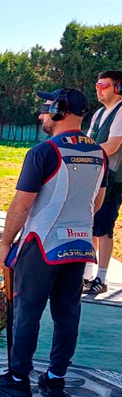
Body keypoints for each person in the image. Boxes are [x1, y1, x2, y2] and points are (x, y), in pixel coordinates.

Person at [0, 88, 107, 397]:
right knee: (68, 312)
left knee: (27, 310)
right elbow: (98, 199)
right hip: (79, 245)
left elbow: (20, 207)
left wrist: (5, 245)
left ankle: (17, 377)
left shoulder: (43, 153)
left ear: (59, 109)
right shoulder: (99, 153)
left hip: (41, 244)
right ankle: (55, 377)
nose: (42, 114)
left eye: (45, 108)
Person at [84, 70, 122, 295]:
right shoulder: (99, 113)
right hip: (97, 174)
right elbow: (91, 142)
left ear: (118, 88)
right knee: (90, 224)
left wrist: (84, 156)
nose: (98, 88)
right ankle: (88, 274)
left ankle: (102, 277)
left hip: (115, 177)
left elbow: (112, 145)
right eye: (97, 84)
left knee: (104, 226)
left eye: (104, 85)